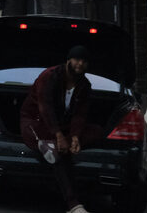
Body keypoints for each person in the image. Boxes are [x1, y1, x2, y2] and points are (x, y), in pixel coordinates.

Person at [19, 45, 104, 213]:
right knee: (56, 152)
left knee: (98, 132)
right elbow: (46, 108)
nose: (80, 64)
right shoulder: (49, 77)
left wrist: (74, 138)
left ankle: (60, 147)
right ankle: (73, 204)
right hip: (36, 121)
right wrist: (59, 136)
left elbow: (80, 115)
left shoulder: (85, 85)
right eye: (77, 59)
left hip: (62, 126)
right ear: (68, 60)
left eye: (84, 61)